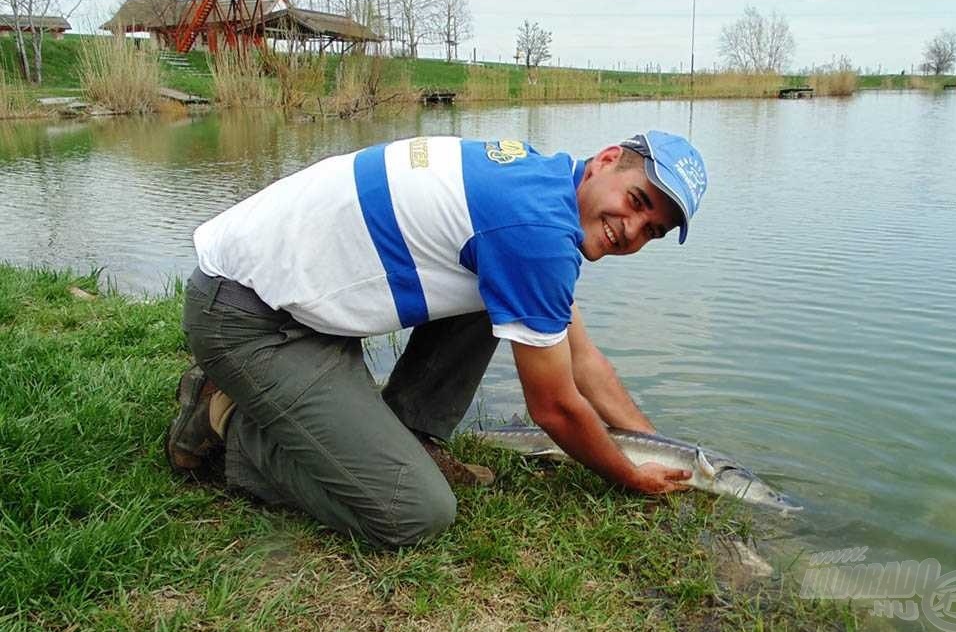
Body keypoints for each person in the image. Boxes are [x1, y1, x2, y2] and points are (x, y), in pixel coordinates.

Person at [165, 130, 709, 548]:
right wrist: (630, 475)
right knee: (414, 513)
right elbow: (556, 409)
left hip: (289, 301)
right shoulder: (535, 234)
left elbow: (580, 356)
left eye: (652, 231)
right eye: (638, 202)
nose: (632, 230)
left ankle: (410, 434)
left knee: (507, 300)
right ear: (608, 159)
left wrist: (660, 449)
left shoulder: (544, 182)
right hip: (251, 321)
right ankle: (225, 417)